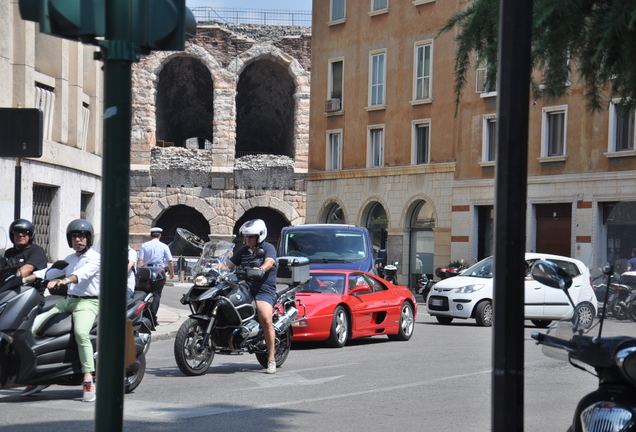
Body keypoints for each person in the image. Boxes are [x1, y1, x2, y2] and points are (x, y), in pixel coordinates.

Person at [24, 219, 100, 402]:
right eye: (74, 236)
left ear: (88, 239)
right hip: (68, 302)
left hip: (89, 303)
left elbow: (80, 275)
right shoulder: (70, 259)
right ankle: (41, 375)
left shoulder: (96, 259)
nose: (78, 240)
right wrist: (21, 279)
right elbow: (49, 272)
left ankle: (88, 377)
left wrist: (64, 281)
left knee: (81, 333)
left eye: (82, 236)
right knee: (34, 325)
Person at [225, 219, 278, 374]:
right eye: (246, 237)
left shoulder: (268, 248)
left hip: (263, 288)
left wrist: (261, 269)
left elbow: (269, 262)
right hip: (245, 287)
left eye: (251, 237)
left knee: (265, 318)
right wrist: (211, 267)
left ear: (260, 236)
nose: (247, 240)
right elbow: (228, 264)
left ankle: (271, 358)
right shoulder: (243, 250)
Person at [137, 227, 175, 321]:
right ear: (160, 236)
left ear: (150, 236)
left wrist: (137, 272)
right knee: (157, 294)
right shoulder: (164, 246)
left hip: (146, 271)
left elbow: (140, 260)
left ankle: (145, 313)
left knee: (145, 292)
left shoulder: (144, 245)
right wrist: (172, 272)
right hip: (159, 271)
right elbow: (170, 261)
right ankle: (153, 315)